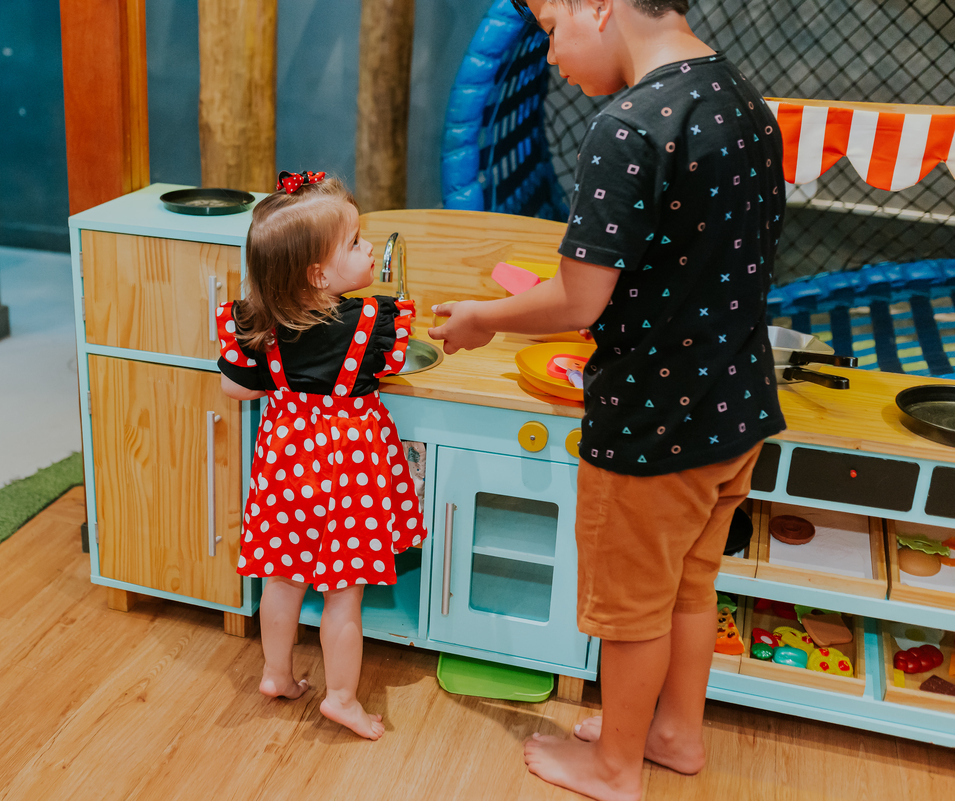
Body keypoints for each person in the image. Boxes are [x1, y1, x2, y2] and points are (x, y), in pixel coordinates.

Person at [429, 0, 786, 797]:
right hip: (735, 408)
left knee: (630, 610)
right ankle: (673, 734)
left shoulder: (629, 125)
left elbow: (579, 300)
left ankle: (616, 764)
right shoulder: (745, 103)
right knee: (691, 586)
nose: (552, 55)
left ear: (601, 4)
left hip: (652, 425)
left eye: (554, 29)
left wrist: (486, 317)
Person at [216, 171, 426, 741]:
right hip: (350, 469)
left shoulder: (257, 321)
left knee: (281, 579)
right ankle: (341, 699)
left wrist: (285, 386)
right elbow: (395, 368)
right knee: (343, 594)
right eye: (357, 244)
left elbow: (236, 389)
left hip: (286, 464)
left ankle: (276, 675)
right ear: (319, 273)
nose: (368, 250)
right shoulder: (370, 323)